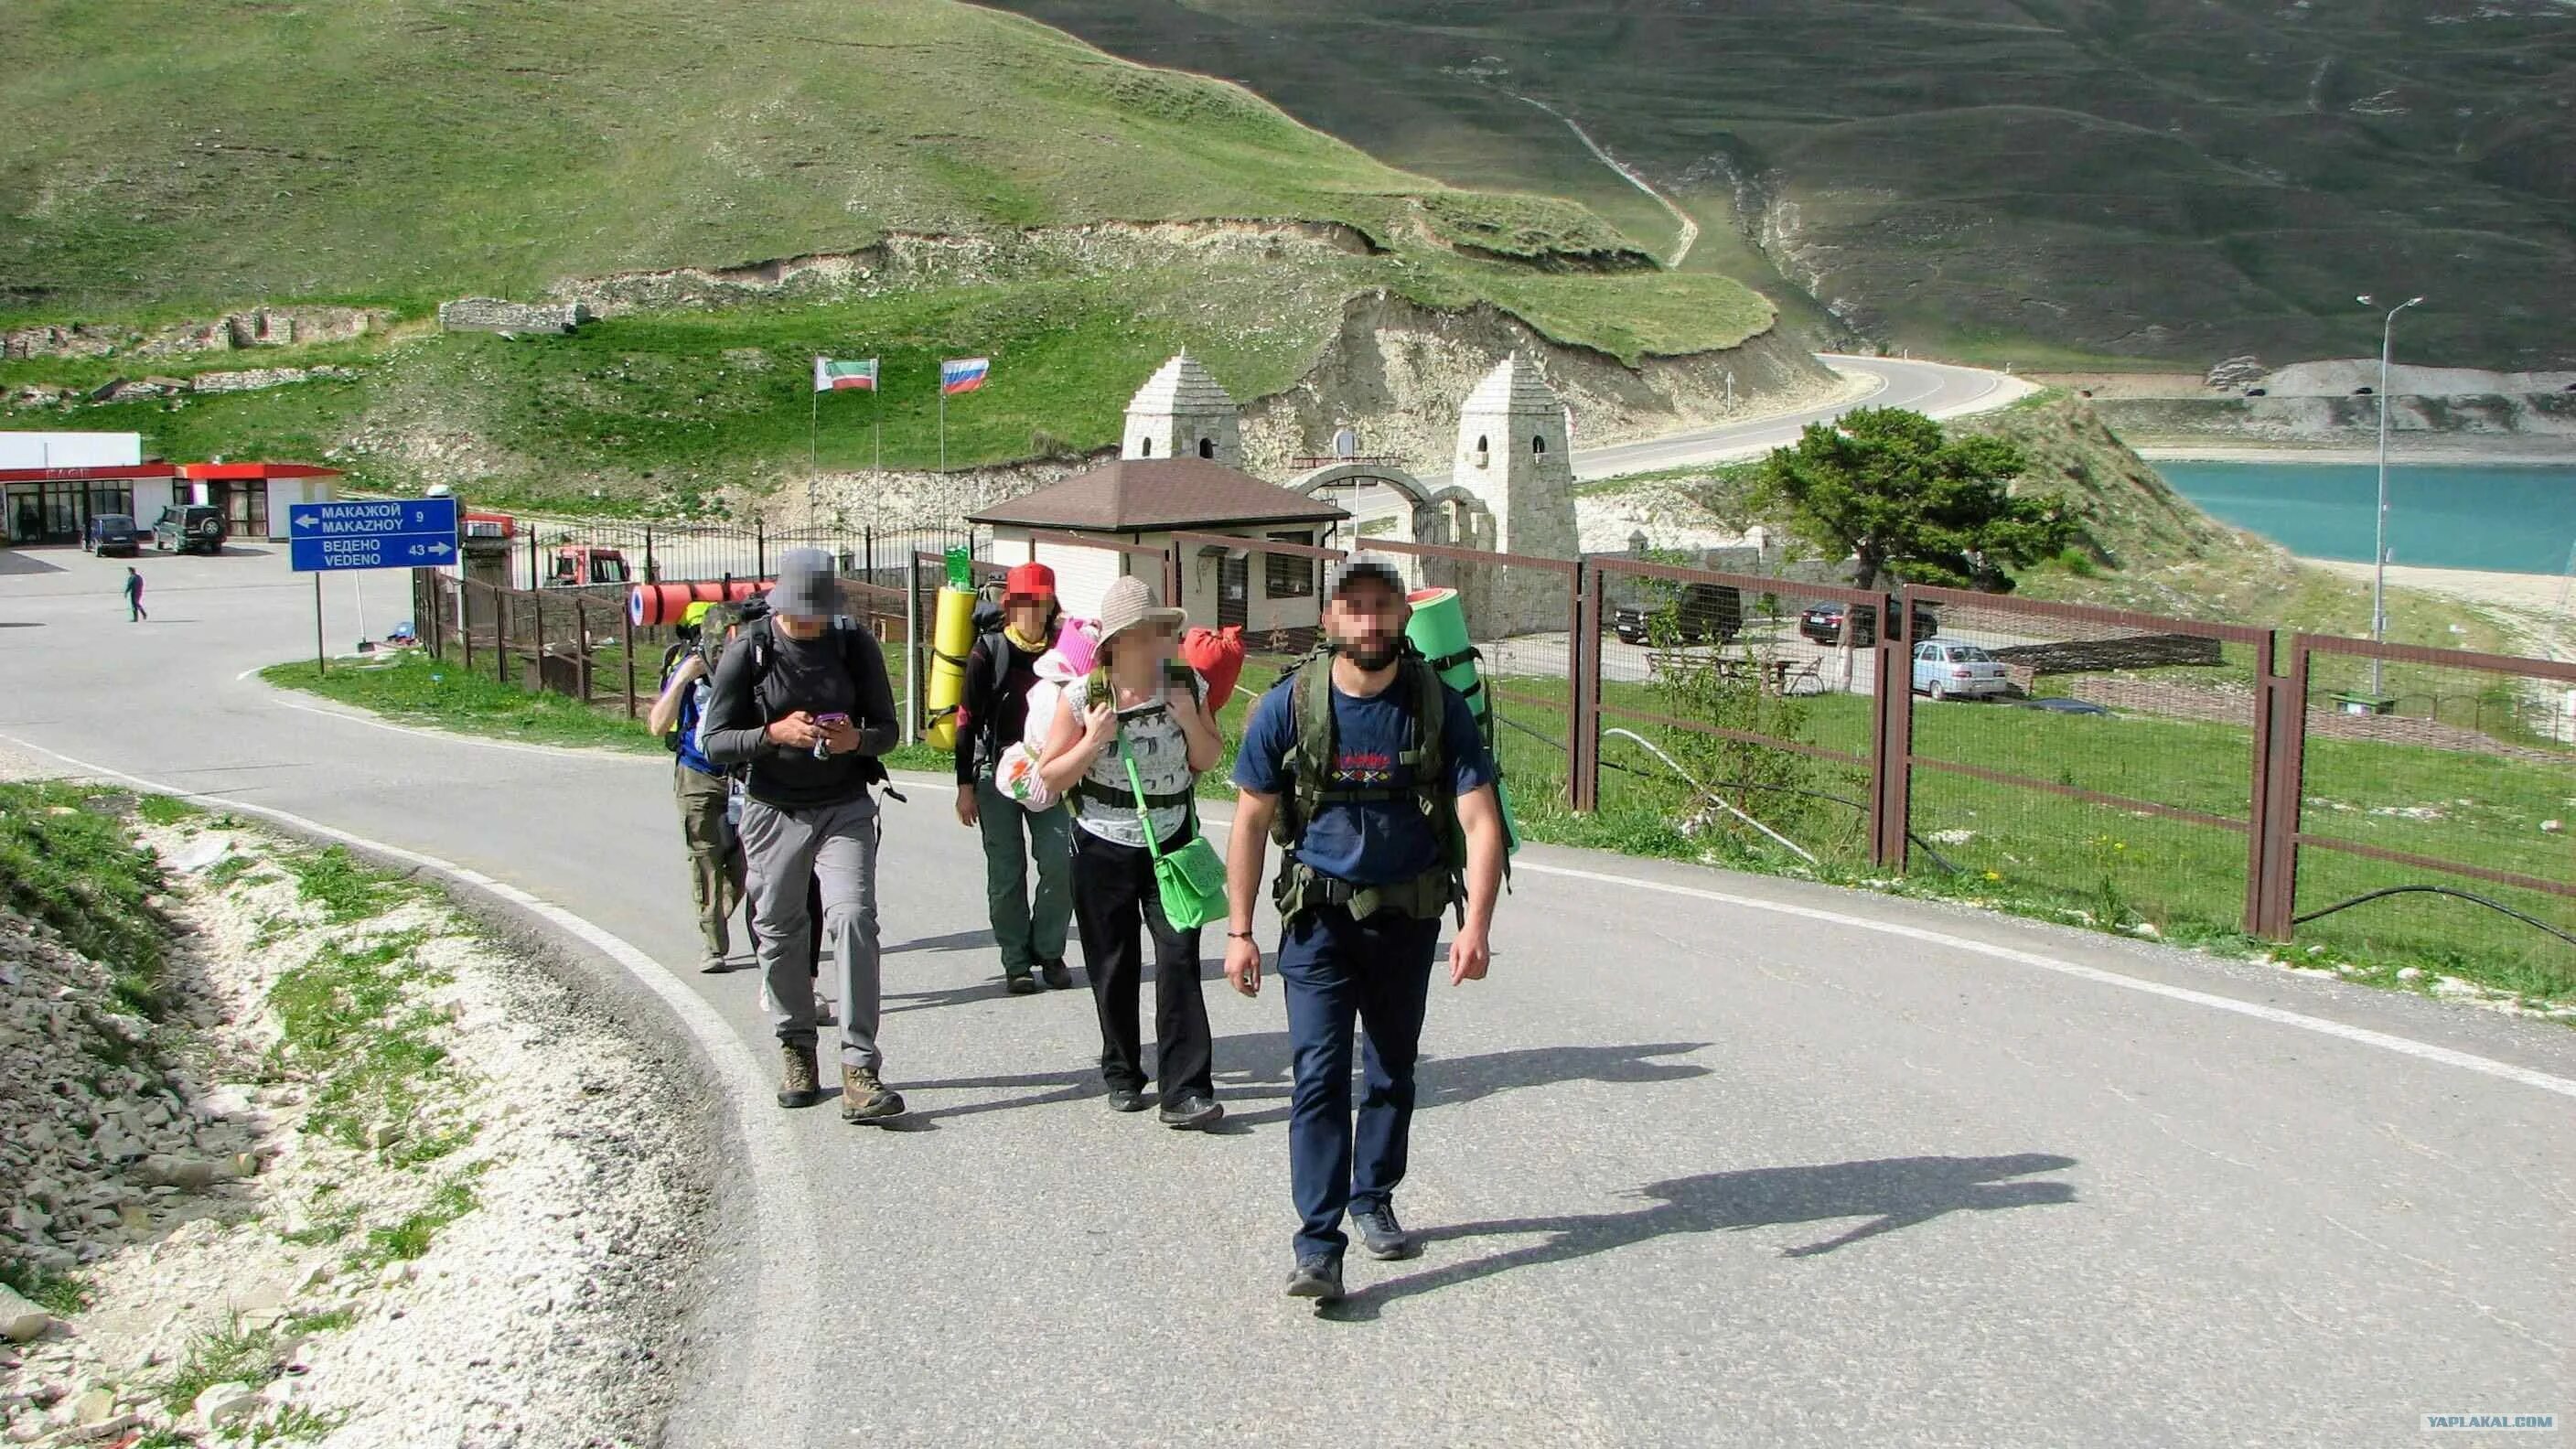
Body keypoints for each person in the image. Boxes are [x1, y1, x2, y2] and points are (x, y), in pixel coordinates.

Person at [1223, 553, 1507, 1303]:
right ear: (1330, 619)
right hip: (1315, 922)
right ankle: (1318, 1246)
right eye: (1355, 607)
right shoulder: (1289, 704)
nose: (1370, 621)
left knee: (1390, 1072)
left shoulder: (1438, 705)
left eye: (1384, 607)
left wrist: (1475, 926)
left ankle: (1373, 1195)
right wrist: (1239, 931)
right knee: (1317, 1076)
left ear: (1404, 618)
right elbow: (1250, 820)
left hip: (1406, 922)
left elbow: (1481, 823)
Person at [699, 550, 903, 1122]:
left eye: (818, 613)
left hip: (844, 805)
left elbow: (887, 732)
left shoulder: (851, 643)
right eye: (799, 613)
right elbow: (714, 741)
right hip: (773, 809)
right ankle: (796, 1049)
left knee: (853, 917)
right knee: (781, 930)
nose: (809, 624)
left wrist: (853, 740)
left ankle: (861, 1067)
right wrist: (773, 733)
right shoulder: (750, 649)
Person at [1036, 575, 1225, 1130]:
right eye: (1142, 634)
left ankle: (1185, 1090)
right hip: (1102, 843)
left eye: (1160, 633)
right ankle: (1122, 1072)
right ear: (1115, 643)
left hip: (1172, 842)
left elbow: (1209, 758)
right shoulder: (1083, 697)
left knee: (1179, 959)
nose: (1156, 644)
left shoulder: (1189, 684)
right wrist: (1093, 740)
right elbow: (1048, 775)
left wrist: (1188, 716)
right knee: (1113, 964)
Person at [954, 563, 1076, 995]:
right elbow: (966, 720)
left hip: (1054, 767)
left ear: (1050, 604)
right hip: (996, 774)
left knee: (1060, 863)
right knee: (1006, 872)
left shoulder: (1064, 649)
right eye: (1024, 602)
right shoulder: (988, 651)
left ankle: (1050, 951)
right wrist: (964, 786)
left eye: (1040, 602)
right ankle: (1015, 961)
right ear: (1010, 606)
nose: (1032, 610)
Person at [649, 604, 745, 973]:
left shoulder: (743, 667)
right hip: (697, 774)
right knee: (705, 858)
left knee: (745, 865)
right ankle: (713, 944)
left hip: (742, 775)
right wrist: (682, 679)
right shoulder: (685, 670)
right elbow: (658, 726)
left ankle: (719, 917)